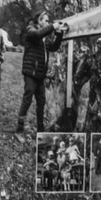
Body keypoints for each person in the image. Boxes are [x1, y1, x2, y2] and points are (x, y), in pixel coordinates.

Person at [16, 9, 65, 138]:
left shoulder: (44, 37)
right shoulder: (31, 30)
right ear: (40, 20)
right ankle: (19, 130)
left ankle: (41, 131)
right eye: (46, 21)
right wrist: (52, 26)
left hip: (40, 75)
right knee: (27, 100)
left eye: (49, 22)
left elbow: (53, 47)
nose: (48, 23)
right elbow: (37, 34)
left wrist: (59, 34)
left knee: (41, 102)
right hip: (30, 73)